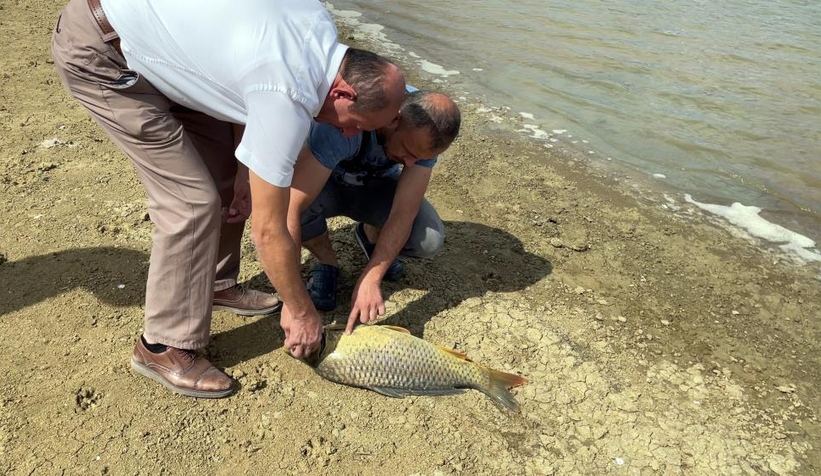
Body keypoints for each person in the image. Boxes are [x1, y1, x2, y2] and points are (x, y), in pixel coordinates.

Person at [51, 0, 406, 398]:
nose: (346, 136)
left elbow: (241, 72)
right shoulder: (287, 92)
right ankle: (162, 346)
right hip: (107, 54)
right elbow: (270, 231)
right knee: (191, 202)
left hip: (170, 52)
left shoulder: (316, 27)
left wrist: (242, 168)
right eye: (353, 125)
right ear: (343, 91)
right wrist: (301, 310)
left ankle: (215, 283)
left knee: (227, 177)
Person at [287, 89, 461, 333]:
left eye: (420, 159)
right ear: (394, 119)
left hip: (374, 186)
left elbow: (404, 212)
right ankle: (326, 261)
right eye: (408, 151)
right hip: (324, 180)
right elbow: (291, 208)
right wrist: (293, 302)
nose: (410, 163)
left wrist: (372, 277)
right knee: (292, 204)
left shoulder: (423, 139)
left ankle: (371, 235)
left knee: (428, 239)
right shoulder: (349, 119)